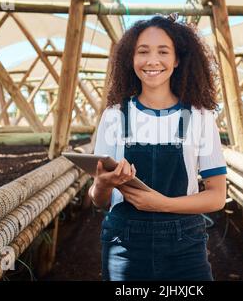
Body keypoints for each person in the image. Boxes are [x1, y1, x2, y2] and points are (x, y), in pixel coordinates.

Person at [88, 14, 227, 281]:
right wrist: (105, 184)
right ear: (131, 59)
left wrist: (163, 204)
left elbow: (216, 196)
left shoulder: (199, 116)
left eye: (163, 51)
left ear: (176, 60)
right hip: (124, 245)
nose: (152, 60)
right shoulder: (115, 114)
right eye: (143, 52)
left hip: (185, 245)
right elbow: (98, 199)